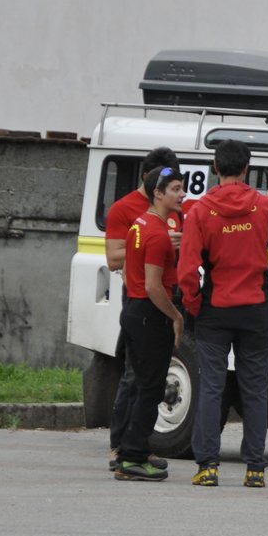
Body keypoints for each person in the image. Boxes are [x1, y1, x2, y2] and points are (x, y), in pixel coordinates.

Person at [177, 140, 268, 488]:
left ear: (216, 168)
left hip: (215, 310)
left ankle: (208, 466)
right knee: (255, 390)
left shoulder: (199, 211)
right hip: (255, 310)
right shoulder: (265, 205)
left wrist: (196, 304)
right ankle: (255, 468)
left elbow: (187, 271)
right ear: (247, 169)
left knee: (212, 386)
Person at [104, 146, 178, 474]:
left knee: (146, 383)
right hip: (146, 307)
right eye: (174, 188)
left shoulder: (147, 223)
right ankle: (127, 450)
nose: (182, 194)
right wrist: (175, 315)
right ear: (156, 191)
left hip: (140, 305)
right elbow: (147, 281)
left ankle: (133, 450)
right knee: (145, 384)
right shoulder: (143, 223)